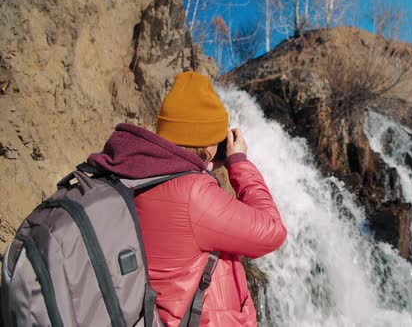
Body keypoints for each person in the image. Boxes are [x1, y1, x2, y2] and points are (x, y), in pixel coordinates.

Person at [87, 72, 287, 326]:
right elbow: (272, 231)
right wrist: (238, 163)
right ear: (207, 147)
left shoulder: (133, 174)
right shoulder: (194, 194)